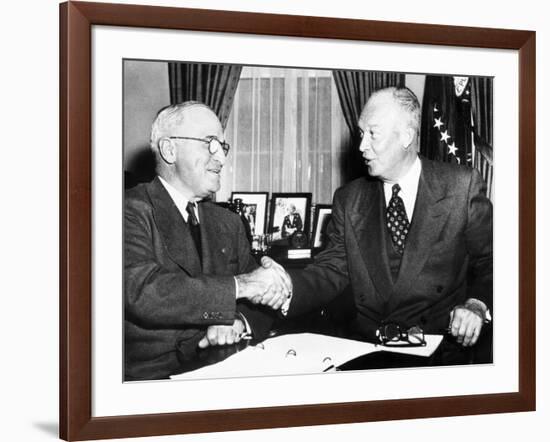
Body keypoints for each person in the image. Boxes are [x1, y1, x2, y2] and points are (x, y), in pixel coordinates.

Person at [264, 87, 492, 363]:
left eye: (373, 133)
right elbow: (330, 270)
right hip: (368, 353)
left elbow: (492, 264)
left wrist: (476, 305)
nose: (361, 146)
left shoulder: (461, 186)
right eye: (361, 134)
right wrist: (287, 285)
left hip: (440, 354)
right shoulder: (349, 199)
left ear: (407, 136)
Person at [125, 102, 288, 380]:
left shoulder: (228, 222)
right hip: (151, 378)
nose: (222, 158)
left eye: (223, 147)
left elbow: (260, 302)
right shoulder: (127, 210)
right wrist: (244, 286)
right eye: (209, 143)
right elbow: (144, 292)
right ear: (169, 150)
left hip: (224, 368)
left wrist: (238, 320)